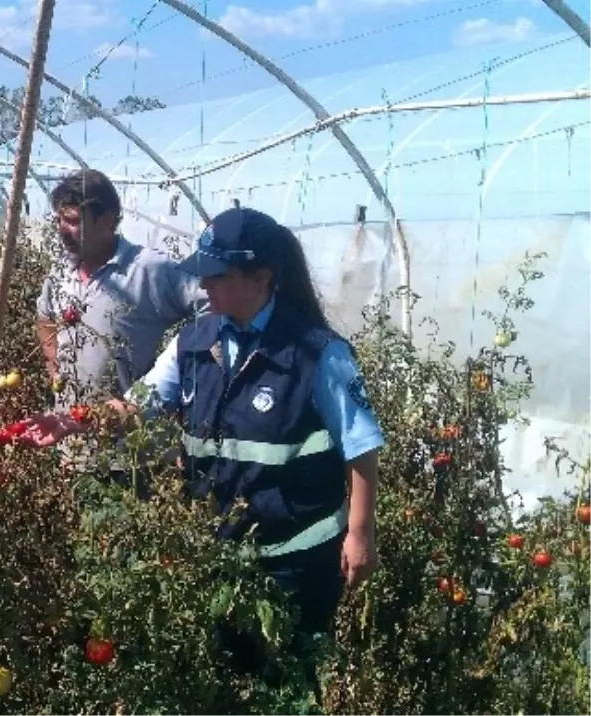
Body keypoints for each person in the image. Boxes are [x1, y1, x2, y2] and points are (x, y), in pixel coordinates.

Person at [23, 206, 382, 692]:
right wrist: (72, 421)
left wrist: (359, 535)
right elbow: (141, 403)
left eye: (217, 274)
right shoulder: (195, 341)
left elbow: (360, 445)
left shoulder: (316, 352)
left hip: (295, 560)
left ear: (260, 278)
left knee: (288, 687)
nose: (204, 285)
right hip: (220, 553)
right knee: (227, 682)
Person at [34, 169, 206, 482]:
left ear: (107, 221)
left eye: (73, 221)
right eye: (60, 220)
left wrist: (177, 365)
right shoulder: (61, 270)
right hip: (71, 446)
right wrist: (53, 366)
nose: (62, 230)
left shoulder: (149, 270)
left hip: (131, 453)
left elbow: (212, 305)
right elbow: (44, 315)